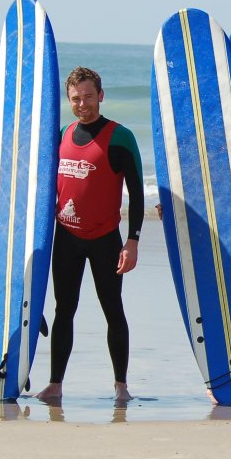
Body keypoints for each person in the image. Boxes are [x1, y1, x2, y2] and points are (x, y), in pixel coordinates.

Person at [36, 67, 144, 404]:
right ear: (69, 100)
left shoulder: (120, 136)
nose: (83, 104)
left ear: (101, 95)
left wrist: (132, 240)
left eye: (88, 96)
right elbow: (37, 180)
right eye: (76, 98)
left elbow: (137, 192)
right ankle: (55, 384)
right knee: (63, 310)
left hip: (105, 240)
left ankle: (121, 385)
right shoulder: (62, 135)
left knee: (112, 309)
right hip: (66, 237)